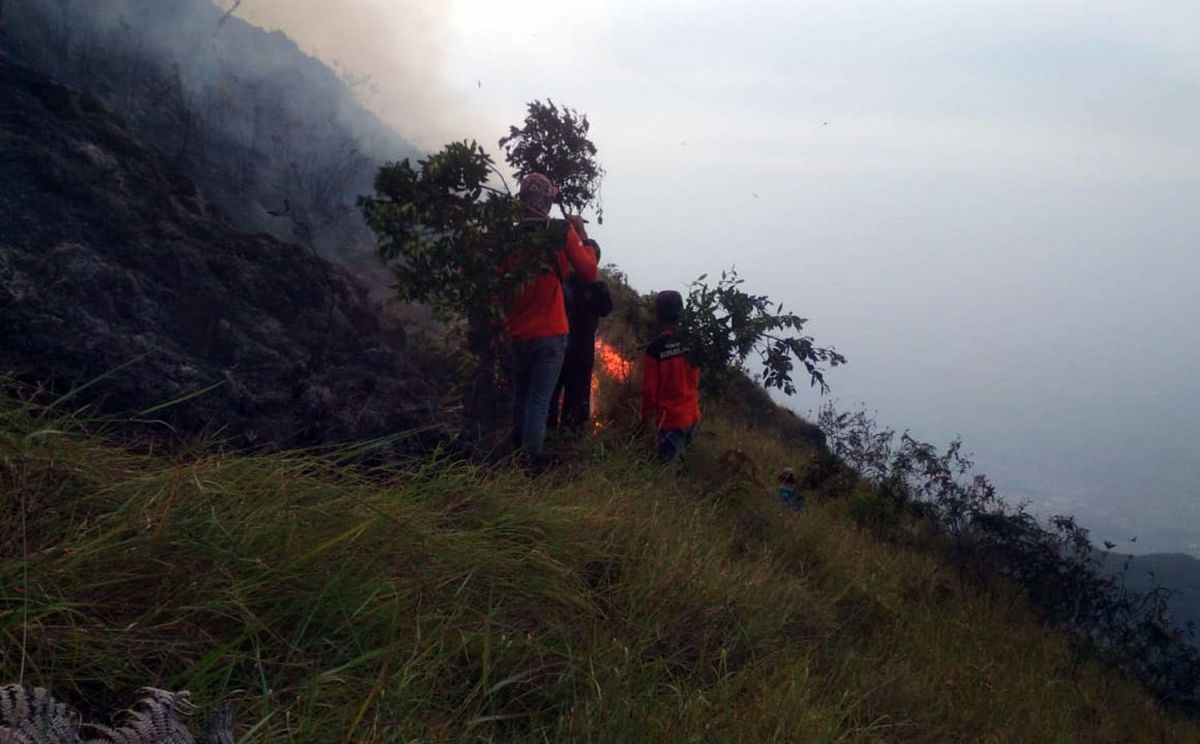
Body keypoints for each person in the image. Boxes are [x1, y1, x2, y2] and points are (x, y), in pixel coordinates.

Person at [505, 173, 598, 464]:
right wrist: (582, 236)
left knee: (521, 393)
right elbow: (589, 271)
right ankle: (530, 461)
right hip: (551, 333)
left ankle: (515, 449)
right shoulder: (560, 232)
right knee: (539, 400)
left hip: (516, 331)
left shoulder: (508, 237)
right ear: (549, 200)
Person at [547, 238, 613, 431]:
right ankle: (567, 438)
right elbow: (606, 308)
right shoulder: (593, 288)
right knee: (574, 400)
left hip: (563, 347)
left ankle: (551, 435)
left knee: (552, 395)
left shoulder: (566, 284)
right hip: (576, 351)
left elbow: (606, 308)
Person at [641, 290, 701, 465]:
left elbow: (649, 392)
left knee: (668, 474)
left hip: (670, 422)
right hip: (692, 416)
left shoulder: (656, 349)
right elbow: (696, 377)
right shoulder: (691, 340)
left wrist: (644, 421)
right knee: (679, 465)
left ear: (659, 314)